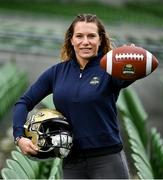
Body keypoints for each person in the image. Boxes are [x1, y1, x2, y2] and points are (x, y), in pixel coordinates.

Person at [13, 14, 134, 179]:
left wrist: (131, 63)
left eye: (91, 36)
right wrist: (19, 137)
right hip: (72, 162)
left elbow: (126, 77)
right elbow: (23, 102)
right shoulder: (57, 72)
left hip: (107, 160)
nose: (85, 42)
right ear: (71, 40)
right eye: (79, 36)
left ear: (101, 40)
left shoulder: (111, 69)